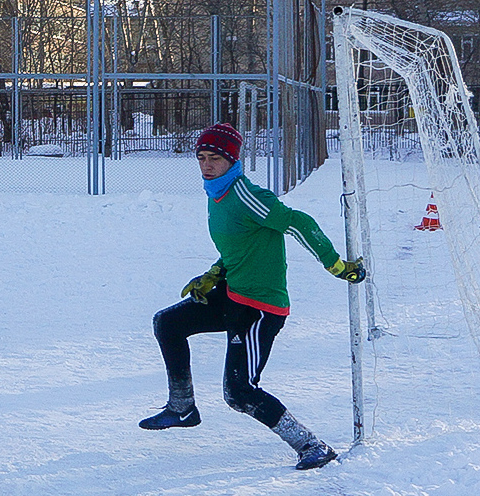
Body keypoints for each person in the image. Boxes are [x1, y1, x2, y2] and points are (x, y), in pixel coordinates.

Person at [139, 122, 365, 469]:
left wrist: (336, 266)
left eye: (215, 158)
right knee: (167, 323)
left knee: (239, 392)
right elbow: (239, 247)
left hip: (260, 308)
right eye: (201, 157)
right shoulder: (217, 195)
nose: (207, 164)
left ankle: (311, 446)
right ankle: (182, 407)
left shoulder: (247, 197)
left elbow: (299, 223)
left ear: (232, 160)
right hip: (232, 295)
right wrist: (214, 274)